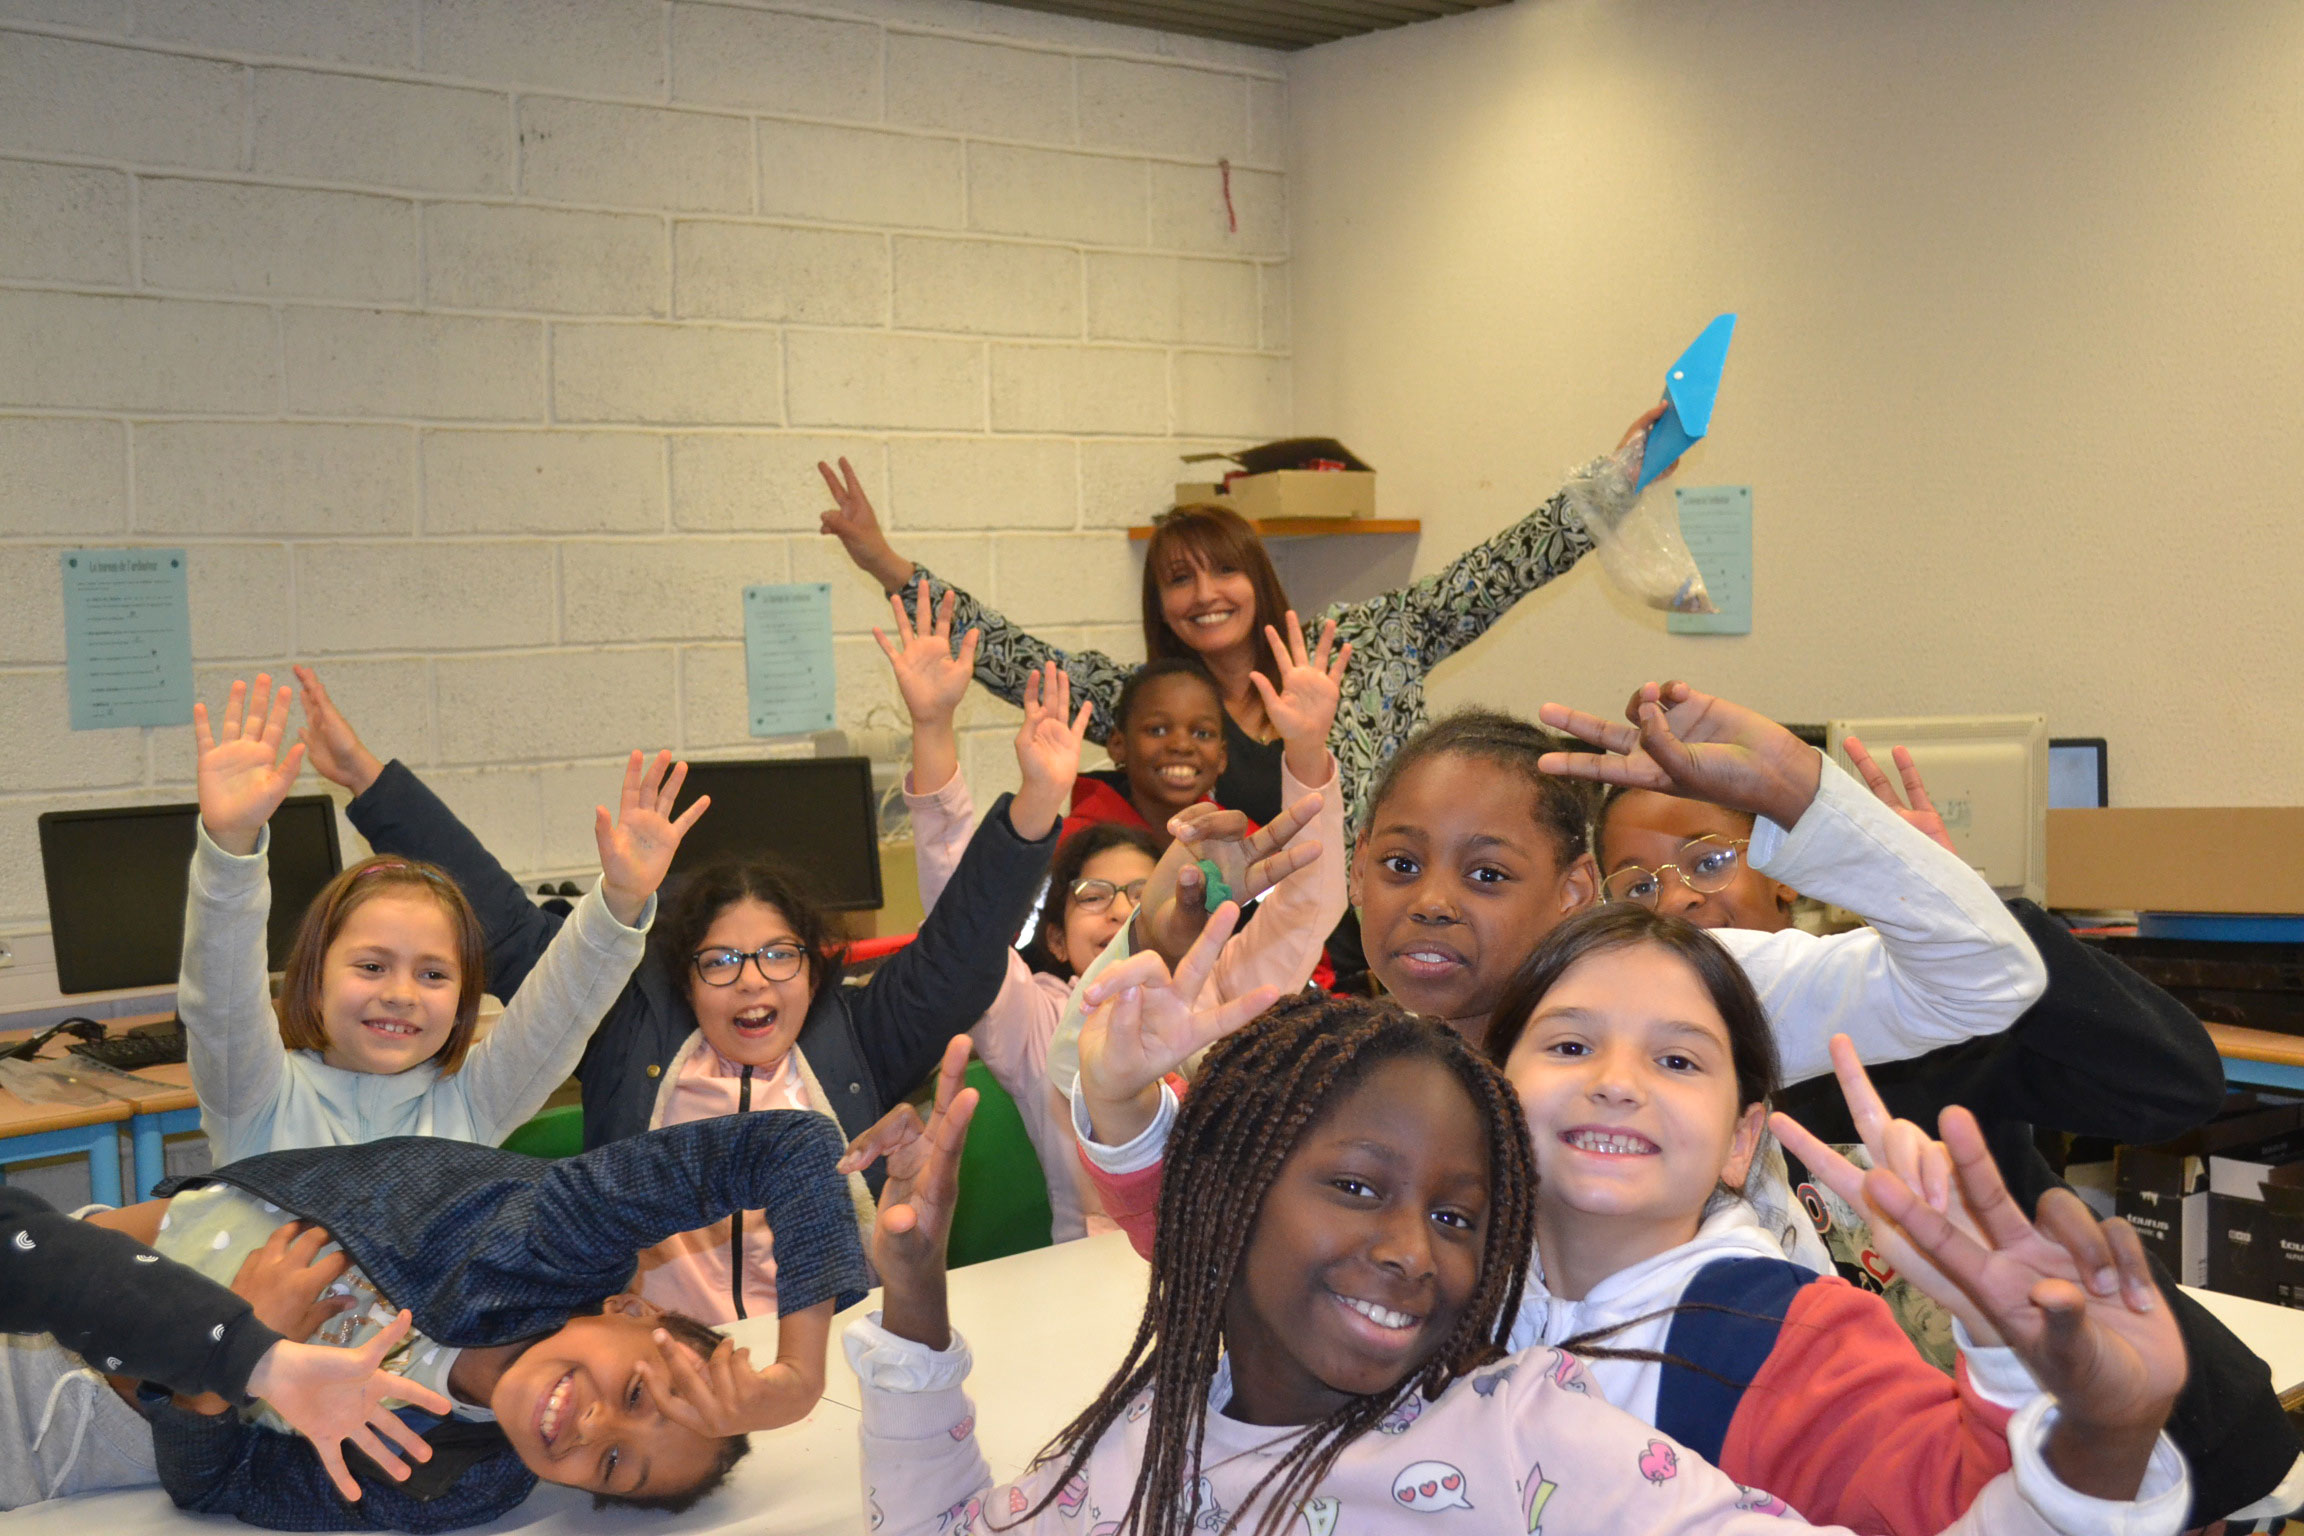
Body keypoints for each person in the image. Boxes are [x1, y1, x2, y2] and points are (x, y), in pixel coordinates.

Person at [848, 982, 2192, 1536]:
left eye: (1458, 1216)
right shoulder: (1134, 1440)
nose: (1407, 1251)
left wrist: (2101, 1444)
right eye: (1360, 1188)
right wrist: (911, 1319)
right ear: (1227, 1192)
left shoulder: (1529, 1442)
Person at [1594, 739, 2295, 1523]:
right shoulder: (1638, 1108)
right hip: (1922, 1485)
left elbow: (2175, 1085)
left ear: (1787, 874)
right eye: (1637, 886)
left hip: (2151, 1438)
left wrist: (1961, 906)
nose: (1679, 900)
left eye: (1709, 860)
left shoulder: (1913, 1011)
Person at [815, 404, 1661, 830]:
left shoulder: (1357, 648)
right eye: (1179, 581)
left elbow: (1493, 576)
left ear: (1258, 577)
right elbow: (1007, 656)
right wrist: (885, 563)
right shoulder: (1145, 702)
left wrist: (1614, 482)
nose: (1205, 593)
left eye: (1224, 570)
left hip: (1375, 943)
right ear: (1162, 609)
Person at [116, 1109, 869, 1529]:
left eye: (612, 1464)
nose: (594, 1426)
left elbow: (215, 1484)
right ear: (631, 1308)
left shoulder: (454, 1481)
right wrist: (799, 1378)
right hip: (68, 1278)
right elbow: (792, 1148)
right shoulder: (542, 1244)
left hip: (108, 1410)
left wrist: (235, 1346)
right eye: (638, 1393)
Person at [871, 583, 1346, 1240]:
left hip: (1235, 1256)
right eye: (1095, 897)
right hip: (1091, 1281)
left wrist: (1307, 754)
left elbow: (1310, 904)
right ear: (1057, 937)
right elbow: (962, 919)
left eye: (1141, 893)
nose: (1123, 914)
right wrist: (935, 731)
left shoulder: (1221, 982)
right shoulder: (1035, 1020)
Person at [183, 674, 704, 1162]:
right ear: (314, 978)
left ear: (464, 1000)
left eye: (434, 974)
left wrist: (621, 899)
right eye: (371, 966)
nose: (401, 994)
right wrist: (231, 848)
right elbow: (220, 1000)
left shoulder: (473, 1103)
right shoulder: (252, 1097)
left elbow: (561, 1006)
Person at [0, 1186, 449, 1509]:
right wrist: (248, 1350)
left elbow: (211, 1480)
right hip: (77, 1295)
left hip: (103, 1412)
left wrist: (244, 1358)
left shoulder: (470, 1472)